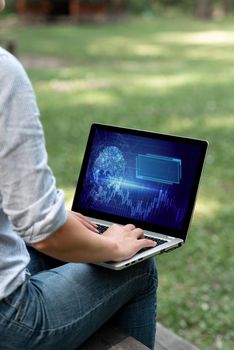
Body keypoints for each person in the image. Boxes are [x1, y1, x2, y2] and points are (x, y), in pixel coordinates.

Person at [0, 1, 158, 349]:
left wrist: (55, 219)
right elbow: (46, 235)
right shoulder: (3, 72)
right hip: (9, 323)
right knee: (136, 266)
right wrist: (112, 246)